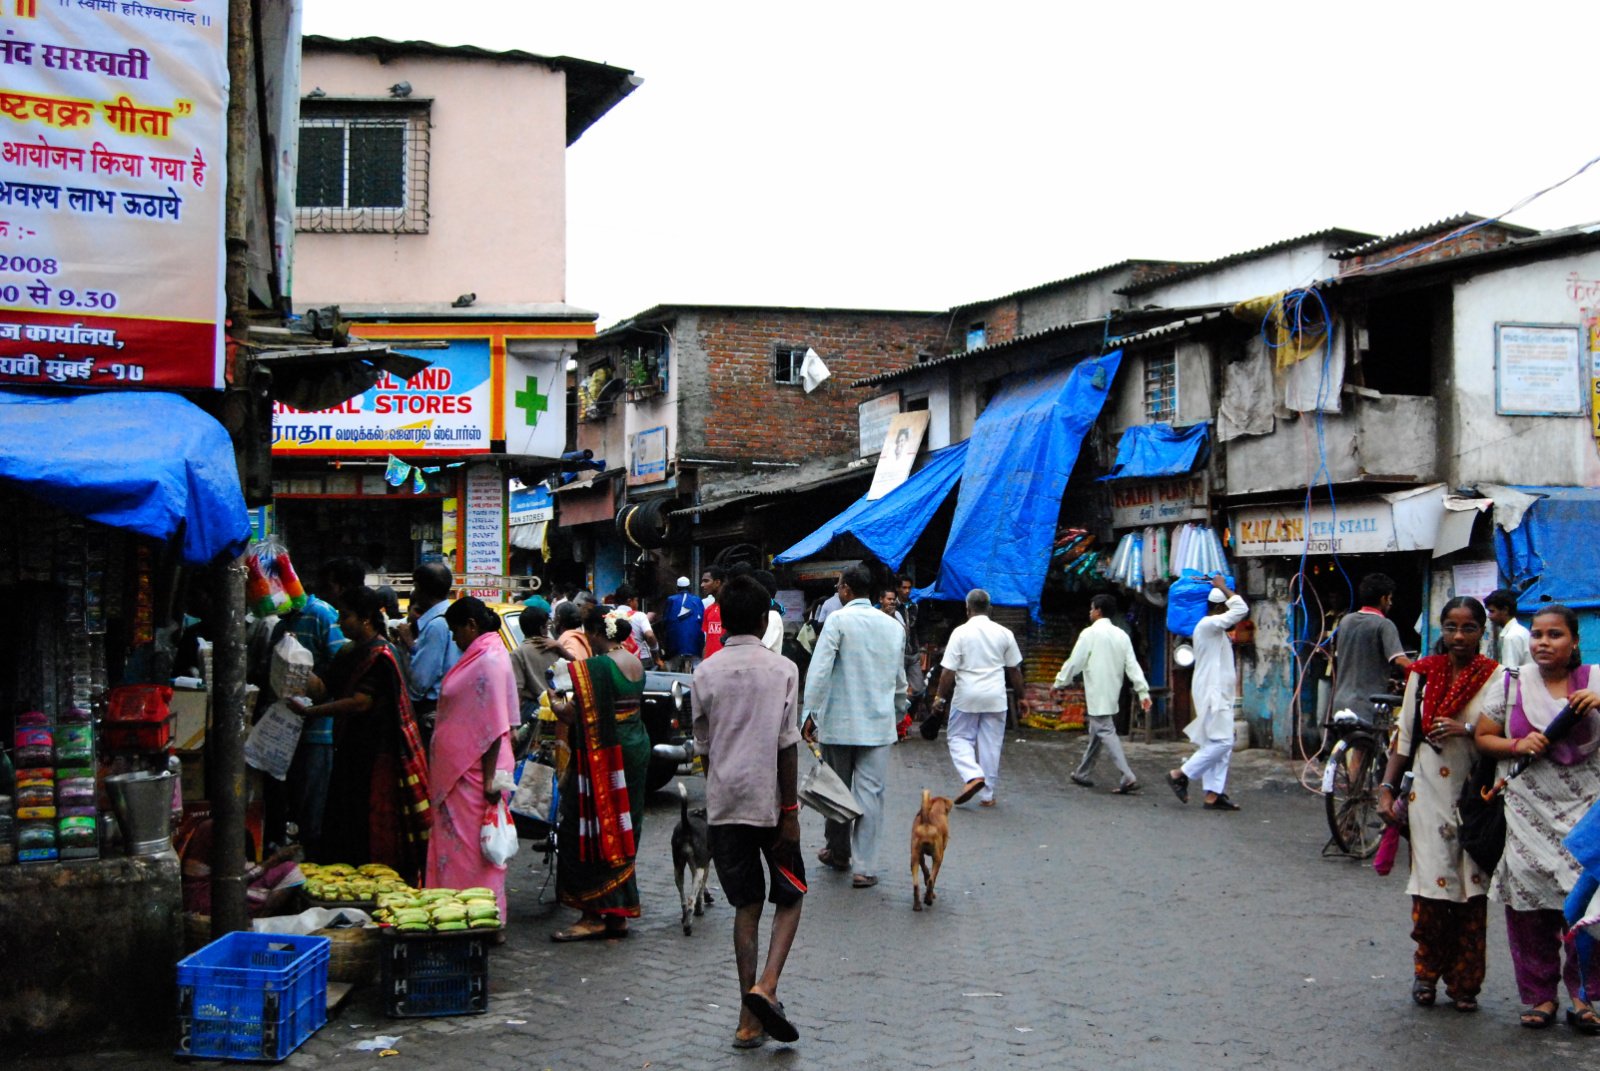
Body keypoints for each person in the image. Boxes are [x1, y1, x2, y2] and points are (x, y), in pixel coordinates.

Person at [1474, 603, 1600, 1031]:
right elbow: (1483, 737)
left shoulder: (1596, 681)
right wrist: (1515, 746)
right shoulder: (1511, 683)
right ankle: (1539, 996)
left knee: (1587, 907)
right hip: (1528, 813)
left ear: (1575, 641)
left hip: (1586, 814)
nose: (1544, 643)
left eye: (1555, 635)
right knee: (1528, 910)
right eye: (1538, 634)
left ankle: (1585, 996)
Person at [692, 575, 805, 1049]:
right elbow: (788, 746)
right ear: (764, 620)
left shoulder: (704, 672)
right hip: (769, 803)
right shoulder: (782, 670)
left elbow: (702, 748)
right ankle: (768, 985)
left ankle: (746, 1019)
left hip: (724, 803)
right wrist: (791, 809)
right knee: (792, 895)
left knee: (746, 905)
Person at [1376, 596, 1497, 1013]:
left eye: (1468, 628)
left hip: (1476, 797)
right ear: (1440, 631)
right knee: (1430, 893)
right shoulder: (1423, 676)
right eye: (1450, 627)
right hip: (1426, 795)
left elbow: (1501, 734)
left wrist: (1465, 729)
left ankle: (1465, 982)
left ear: (1483, 631)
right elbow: (1404, 738)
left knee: (1471, 891)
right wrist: (1387, 789)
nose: (1459, 636)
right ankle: (1426, 972)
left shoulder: (1497, 679)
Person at [293, 587, 432, 884]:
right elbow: (322, 688)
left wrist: (311, 714)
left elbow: (361, 702)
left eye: (346, 616)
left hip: (377, 751)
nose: (341, 622)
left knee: (372, 819)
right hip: (349, 748)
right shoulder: (348, 651)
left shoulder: (382, 655)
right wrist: (296, 663)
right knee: (346, 815)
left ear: (366, 618)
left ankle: (381, 878)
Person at [801, 564, 908, 888]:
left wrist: (810, 713)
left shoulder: (838, 620)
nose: (837, 590)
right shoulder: (893, 627)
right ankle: (865, 867)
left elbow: (819, 671)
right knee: (871, 795)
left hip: (840, 723)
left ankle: (839, 851)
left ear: (847, 589)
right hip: (877, 725)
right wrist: (898, 711)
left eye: (838, 585)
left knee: (837, 790)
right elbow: (899, 680)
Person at [549, 607, 650, 940]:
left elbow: (574, 715)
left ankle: (593, 914)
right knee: (624, 826)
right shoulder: (634, 661)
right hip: (635, 748)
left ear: (594, 633)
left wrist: (555, 706)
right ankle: (618, 912)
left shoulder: (596, 668)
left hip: (605, 756)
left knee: (590, 825)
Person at [425, 597, 517, 918]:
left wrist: (491, 778)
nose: (453, 638)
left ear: (471, 626)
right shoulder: (488, 654)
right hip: (466, 770)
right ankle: (457, 912)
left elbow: (494, 724)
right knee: (463, 849)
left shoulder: (489, 659)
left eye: (455, 631)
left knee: (474, 852)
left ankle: (480, 916)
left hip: (476, 772)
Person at [1052, 593, 1152, 795]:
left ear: (1098, 610)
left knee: (1104, 730)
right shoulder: (1121, 635)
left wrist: (1059, 682)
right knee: (1096, 733)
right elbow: (1132, 666)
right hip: (1113, 689)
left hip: (1097, 690)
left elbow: (1075, 662)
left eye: (1091, 608)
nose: (1090, 612)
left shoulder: (1089, 634)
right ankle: (1083, 772)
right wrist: (1143, 691)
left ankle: (1127, 774)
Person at [933, 589, 1023, 807]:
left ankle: (973, 775)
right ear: (989, 608)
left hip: (967, 696)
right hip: (996, 697)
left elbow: (948, 672)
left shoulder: (960, 633)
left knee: (958, 738)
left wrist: (939, 697)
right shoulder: (1004, 633)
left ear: (967, 609)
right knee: (991, 745)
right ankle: (987, 795)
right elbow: (1014, 669)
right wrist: (1021, 696)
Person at [1168, 575, 1249, 810]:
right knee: (1223, 743)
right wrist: (1223, 586)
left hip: (1217, 692)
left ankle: (1214, 794)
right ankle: (1180, 774)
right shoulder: (1207, 625)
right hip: (1213, 693)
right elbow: (1241, 608)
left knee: (1216, 743)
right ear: (1220, 607)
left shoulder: (1216, 631)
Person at [1330, 573, 1413, 726]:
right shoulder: (1384, 625)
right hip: (1367, 705)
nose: (1390, 603)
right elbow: (1400, 660)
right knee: (1365, 747)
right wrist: (1423, 673)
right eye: (1390, 598)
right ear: (1383, 599)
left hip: (1340, 702)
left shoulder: (1346, 621)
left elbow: (1347, 660)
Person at [401, 562, 461, 741]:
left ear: (419, 588)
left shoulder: (436, 625)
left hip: (432, 710)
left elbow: (419, 682)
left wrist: (407, 647)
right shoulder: (452, 615)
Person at [509, 602, 562, 722]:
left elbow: (517, 691)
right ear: (542, 629)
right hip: (559, 706)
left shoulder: (518, 653)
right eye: (547, 627)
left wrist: (513, 724)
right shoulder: (556, 648)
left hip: (533, 710)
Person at [661, 576, 705, 671]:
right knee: (698, 666)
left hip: (675, 645)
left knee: (671, 668)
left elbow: (665, 621)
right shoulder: (697, 600)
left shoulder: (671, 600)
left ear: (677, 588)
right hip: (695, 645)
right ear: (690, 588)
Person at [613, 582, 662, 668]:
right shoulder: (640, 616)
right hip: (641, 660)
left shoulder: (610, 616)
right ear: (629, 601)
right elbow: (650, 636)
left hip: (617, 660)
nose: (637, 603)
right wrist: (656, 657)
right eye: (636, 600)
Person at [1486, 589, 1532, 669]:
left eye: (1492, 611)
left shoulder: (1511, 636)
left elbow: (1510, 673)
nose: (1489, 616)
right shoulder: (1520, 630)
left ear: (1505, 610)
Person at [702, 566, 727, 658]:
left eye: (706, 581)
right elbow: (707, 641)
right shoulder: (709, 609)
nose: (702, 585)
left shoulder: (731, 608)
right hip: (710, 664)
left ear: (717, 582)